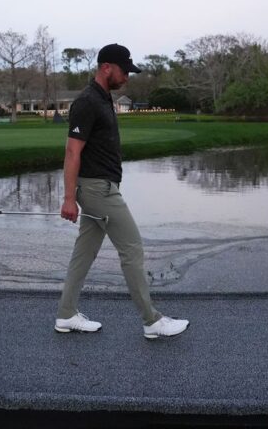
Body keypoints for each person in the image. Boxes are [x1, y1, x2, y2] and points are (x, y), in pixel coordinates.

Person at [55, 43, 189, 339]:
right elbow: (71, 152)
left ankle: (66, 314)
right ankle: (152, 321)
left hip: (100, 187)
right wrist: (68, 198)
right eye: (124, 70)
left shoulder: (103, 100)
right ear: (106, 68)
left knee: (85, 252)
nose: (127, 76)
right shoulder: (88, 101)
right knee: (132, 248)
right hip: (98, 190)